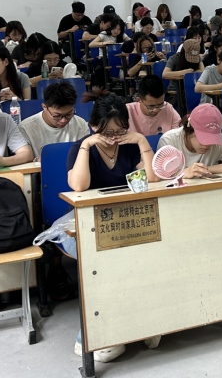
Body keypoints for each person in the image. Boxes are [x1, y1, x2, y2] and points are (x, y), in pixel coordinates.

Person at [65, 91, 158, 362]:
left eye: (120, 131)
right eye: (107, 132)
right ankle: (91, 337)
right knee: (105, 263)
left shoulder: (130, 145)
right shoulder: (81, 147)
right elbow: (79, 186)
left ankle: (144, 322)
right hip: (83, 222)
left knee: (149, 250)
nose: (114, 138)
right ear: (94, 126)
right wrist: (87, 145)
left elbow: (152, 178)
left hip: (124, 218)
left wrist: (141, 140)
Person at [158, 104, 222, 177]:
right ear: (188, 130)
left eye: (211, 140)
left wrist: (206, 169)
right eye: (203, 139)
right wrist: (184, 173)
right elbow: (159, 176)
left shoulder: (218, 139)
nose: (207, 145)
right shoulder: (169, 141)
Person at [18, 82, 89, 160]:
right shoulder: (26, 128)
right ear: (44, 107)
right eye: (57, 116)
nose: (63, 120)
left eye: (69, 114)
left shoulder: (80, 124)